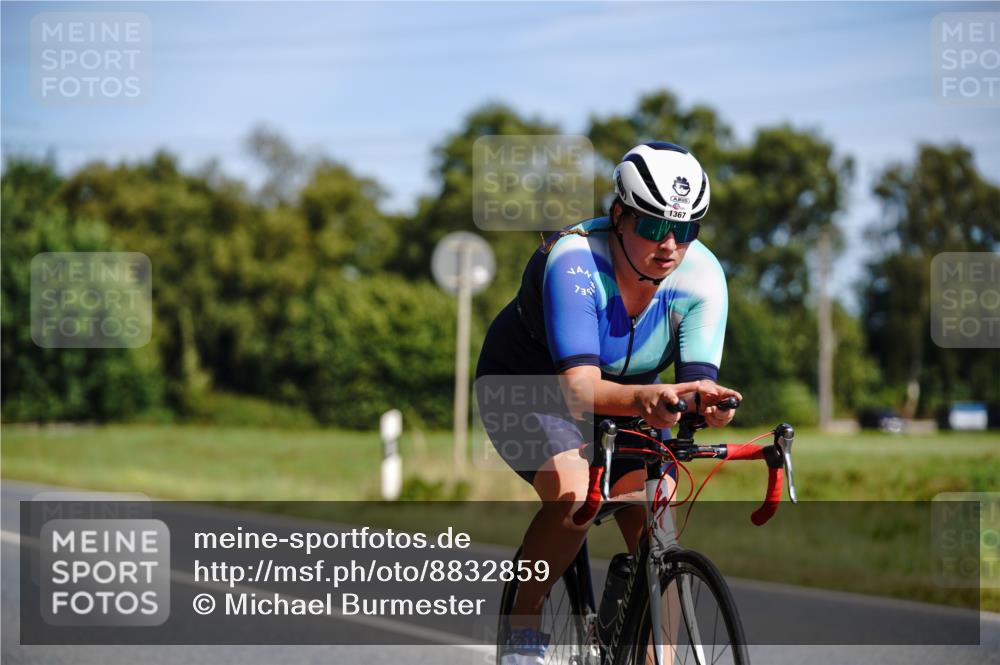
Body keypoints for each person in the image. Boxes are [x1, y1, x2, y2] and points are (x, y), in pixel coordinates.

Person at [475, 141, 742, 665]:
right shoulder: (574, 260)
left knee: (654, 515)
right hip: (531, 384)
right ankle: (523, 628)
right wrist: (648, 398)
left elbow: (692, 386)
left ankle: (651, 651)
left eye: (686, 230)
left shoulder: (704, 278)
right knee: (575, 494)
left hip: (630, 393)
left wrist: (707, 403)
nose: (669, 244)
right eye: (653, 226)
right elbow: (577, 390)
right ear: (618, 214)